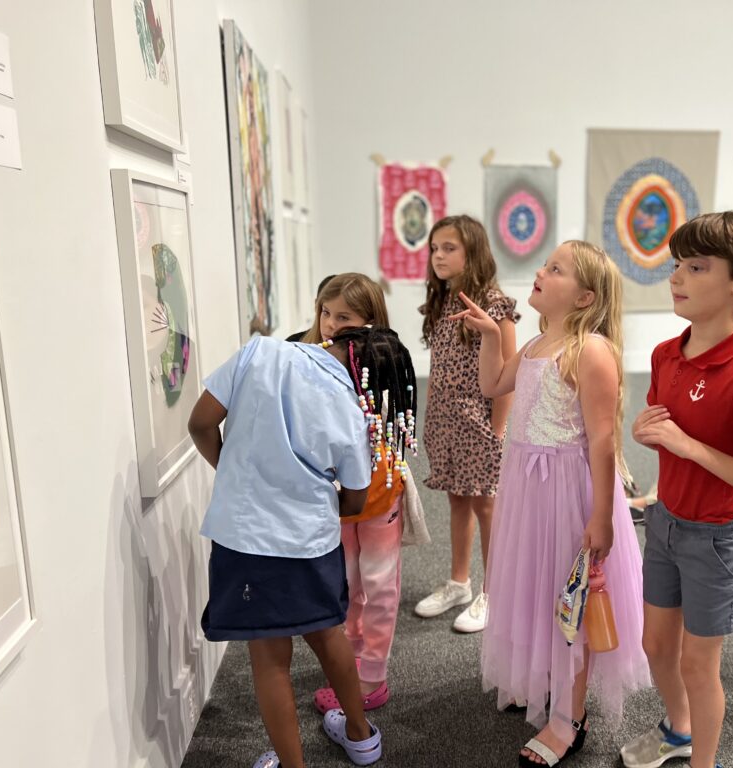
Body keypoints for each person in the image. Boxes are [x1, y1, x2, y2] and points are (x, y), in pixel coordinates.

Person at [453, 240, 650, 766]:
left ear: (585, 296)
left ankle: (568, 718)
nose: (540, 272)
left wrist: (602, 518)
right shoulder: (540, 344)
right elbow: (495, 383)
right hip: (527, 487)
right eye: (546, 264)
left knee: (574, 603)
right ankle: (546, 683)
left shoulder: (589, 351)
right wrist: (494, 336)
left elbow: (603, 441)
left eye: (555, 269)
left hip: (569, 493)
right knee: (535, 587)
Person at [621, 212, 733, 768]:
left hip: (716, 536)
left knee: (699, 665)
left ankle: (705, 761)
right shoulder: (667, 353)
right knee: (654, 647)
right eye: (676, 265)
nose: (677, 277)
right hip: (666, 520)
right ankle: (679, 731)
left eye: (696, 267)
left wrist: (691, 448)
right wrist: (653, 437)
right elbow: (671, 431)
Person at [188, 327, 397, 767]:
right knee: (328, 632)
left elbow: (201, 422)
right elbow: (356, 497)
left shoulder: (259, 352)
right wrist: (308, 501)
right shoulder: (350, 407)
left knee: (270, 660)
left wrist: (236, 475)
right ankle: (361, 739)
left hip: (245, 536)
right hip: (311, 540)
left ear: (337, 338)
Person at [295, 276, 429, 714]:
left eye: (344, 316)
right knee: (345, 583)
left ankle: (372, 676)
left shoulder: (381, 364)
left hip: (376, 496)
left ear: (369, 321)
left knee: (379, 585)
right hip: (332, 497)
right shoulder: (307, 357)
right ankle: (349, 659)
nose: (330, 324)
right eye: (325, 312)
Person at [415, 215, 519, 633]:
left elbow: (510, 373)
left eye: (449, 248)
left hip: (480, 421)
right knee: (457, 499)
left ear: (471, 252)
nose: (439, 256)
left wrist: (497, 429)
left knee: (486, 504)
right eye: (434, 248)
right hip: (444, 418)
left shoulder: (495, 305)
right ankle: (460, 581)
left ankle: (495, 591)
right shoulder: (441, 299)